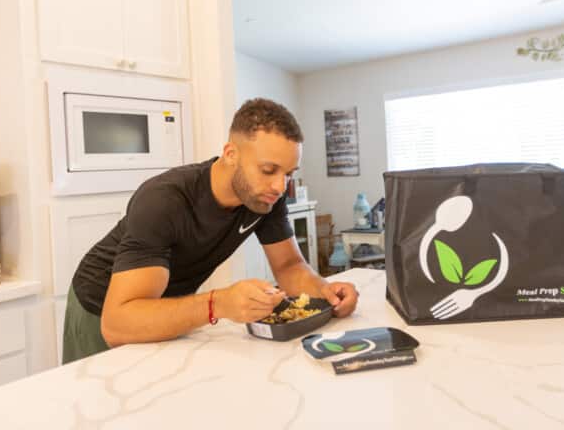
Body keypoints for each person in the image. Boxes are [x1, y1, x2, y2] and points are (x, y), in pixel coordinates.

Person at [63, 98, 359, 363]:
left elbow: (290, 266)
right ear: (231, 153)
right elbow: (117, 324)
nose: (280, 187)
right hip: (103, 307)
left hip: (166, 306)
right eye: (269, 170)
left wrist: (325, 292)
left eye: (288, 174)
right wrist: (218, 304)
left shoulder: (265, 197)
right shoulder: (164, 199)